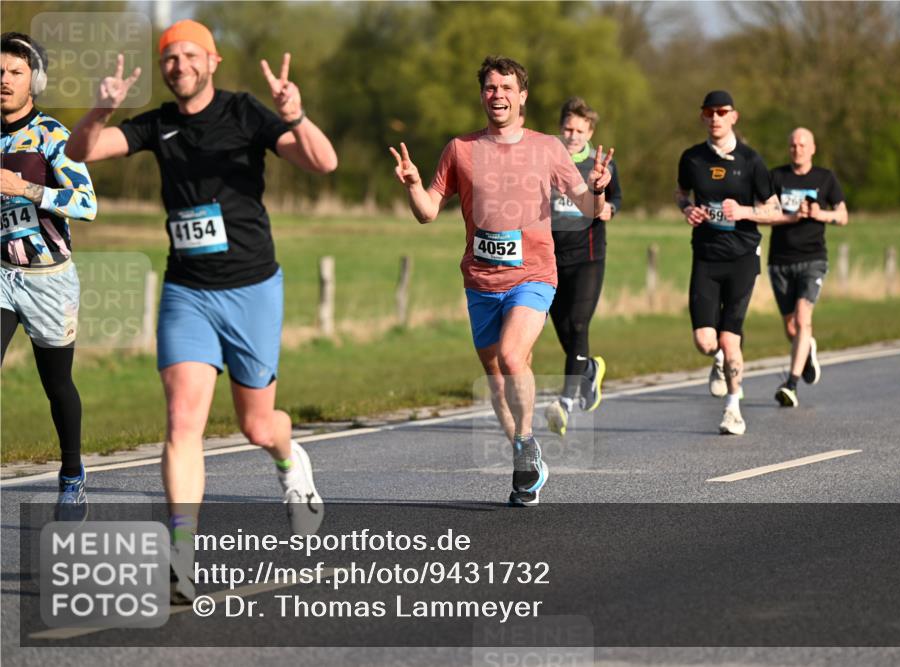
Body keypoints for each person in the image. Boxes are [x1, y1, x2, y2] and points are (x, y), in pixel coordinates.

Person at [65, 19, 337, 602]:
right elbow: (80, 152)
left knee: (257, 425)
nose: (180, 64)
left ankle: (293, 467)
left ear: (212, 62)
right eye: (170, 57)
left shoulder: (244, 113)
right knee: (183, 422)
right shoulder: (158, 124)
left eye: (191, 55)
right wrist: (99, 110)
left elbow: (323, 163)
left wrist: (294, 114)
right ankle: (181, 553)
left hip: (251, 288)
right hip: (187, 291)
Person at [390, 56, 612, 506]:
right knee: (496, 375)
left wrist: (600, 187)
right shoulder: (460, 149)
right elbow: (428, 212)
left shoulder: (548, 148)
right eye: (491, 88)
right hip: (480, 280)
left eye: (506, 88)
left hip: (533, 274)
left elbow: (588, 209)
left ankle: (527, 443)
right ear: (482, 95)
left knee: (512, 357)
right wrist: (414, 185)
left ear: (522, 96)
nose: (498, 95)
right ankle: (521, 456)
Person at [1, 32, 97, 521]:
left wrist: (28, 189)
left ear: (33, 81)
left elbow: (87, 204)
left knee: (56, 385)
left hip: (47, 279)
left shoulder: (53, 136)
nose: (3, 80)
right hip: (0, 275)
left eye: (15, 72)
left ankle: (73, 476)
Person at [674, 90, 781, 435]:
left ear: (734, 116)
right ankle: (718, 359)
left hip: (742, 258)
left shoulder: (751, 161)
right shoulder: (691, 158)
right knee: (706, 342)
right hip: (706, 255)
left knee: (730, 338)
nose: (715, 117)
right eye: (709, 111)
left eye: (722, 111)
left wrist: (746, 211)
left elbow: (776, 210)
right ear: (702, 117)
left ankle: (733, 408)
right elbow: (680, 193)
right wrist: (687, 209)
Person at [544, 97, 621, 437]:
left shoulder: (599, 163)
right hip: (551, 259)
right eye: (567, 128)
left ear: (590, 131)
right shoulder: (546, 160)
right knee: (563, 330)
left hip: (588, 257)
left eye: (579, 130)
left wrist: (609, 209)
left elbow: (616, 198)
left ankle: (564, 401)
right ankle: (589, 366)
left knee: (578, 325)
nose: (572, 135)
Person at [769, 127, 848, 407]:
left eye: (802, 145)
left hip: (813, 259)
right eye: (792, 145)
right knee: (792, 329)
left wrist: (820, 214)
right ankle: (808, 347)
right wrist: (790, 216)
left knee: (803, 319)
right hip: (780, 261)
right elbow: (763, 214)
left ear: (813, 148)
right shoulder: (776, 177)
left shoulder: (825, 178)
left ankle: (790, 384)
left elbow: (843, 215)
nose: (797, 149)